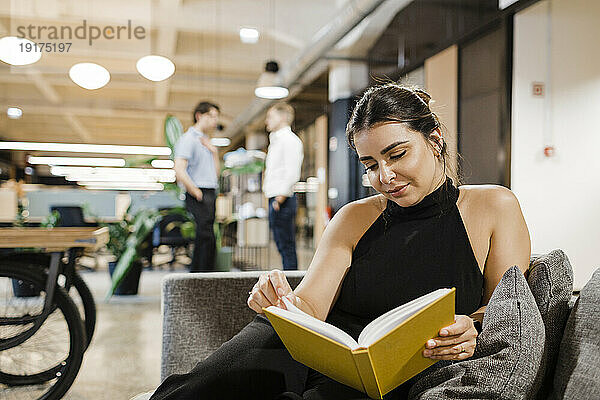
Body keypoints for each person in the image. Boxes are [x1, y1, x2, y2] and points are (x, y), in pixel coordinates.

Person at [151, 84, 531, 399]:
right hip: (314, 351)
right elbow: (310, 305)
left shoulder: (493, 205)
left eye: (396, 155)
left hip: (399, 370)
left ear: (434, 139)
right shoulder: (354, 216)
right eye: (369, 164)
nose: (385, 176)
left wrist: (472, 327)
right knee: (192, 390)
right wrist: (279, 301)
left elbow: (507, 312)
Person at [173, 102, 221, 272]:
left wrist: (214, 152)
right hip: (199, 192)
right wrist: (196, 192)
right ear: (199, 116)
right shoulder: (188, 139)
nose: (215, 121)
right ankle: (199, 276)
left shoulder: (206, 141)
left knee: (208, 236)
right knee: (204, 236)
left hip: (209, 190)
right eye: (212, 116)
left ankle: (207, 276)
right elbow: (179, 169)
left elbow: (215, 174)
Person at [263, 102, 304, 271]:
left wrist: (279, 199)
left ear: (282, 117)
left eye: (270, 117)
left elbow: (292, 172)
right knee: (281, 245)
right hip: (276, 198)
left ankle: (291, 285)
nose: (267, 121)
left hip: (282, 199)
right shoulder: (276, 141)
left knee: (286, 247)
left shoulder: (289, 141)